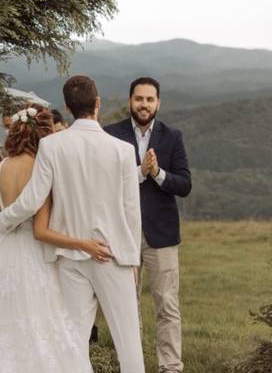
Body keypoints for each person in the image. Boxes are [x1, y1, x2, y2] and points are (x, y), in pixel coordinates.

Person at [0, 76, 145, 373]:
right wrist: (133, 260)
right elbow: (131, 212)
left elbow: (33, 199)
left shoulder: (51, 146)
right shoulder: (123, 150)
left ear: (68, 109)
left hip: (69, 258)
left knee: (73, 344)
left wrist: (1, 219)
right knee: (129, 344)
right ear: (97, 104)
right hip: (114, 257)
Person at [0, 104, 93, 373]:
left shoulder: (1, 168)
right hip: (34, 252)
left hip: (1, 252)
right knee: (43, 322)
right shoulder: (41, 168)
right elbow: (43, 223)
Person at [105, 77, 191, 373]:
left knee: (167, 304)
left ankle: (171, 367)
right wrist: (140, 173)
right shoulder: (111, 135)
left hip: (162, 234)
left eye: (150, 99)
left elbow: (184, 184)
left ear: (158, 103)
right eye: (139, 99)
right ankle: (133, 364)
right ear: (130, 101)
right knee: (127, 305)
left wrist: (157, 173)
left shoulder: (172, 136)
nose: (144, 104)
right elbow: (106, 182)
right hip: (123, 232)